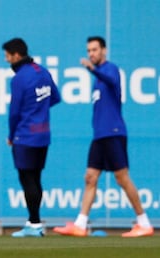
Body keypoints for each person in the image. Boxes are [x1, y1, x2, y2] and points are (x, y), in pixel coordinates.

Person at [53, 36, 154, 237]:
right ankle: (80, 224)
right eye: (89, 50)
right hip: (100, 135)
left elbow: (112, 80)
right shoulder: (98, 79)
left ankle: (144, 223)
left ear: (104, 51)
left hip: (113, 132)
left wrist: (91, 69)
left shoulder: (110, 70)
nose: (91, 53)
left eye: (95, 50)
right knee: (90, 177)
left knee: (122, 178)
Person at [2, 38, 61, 237]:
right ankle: (34, 222)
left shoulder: (19, 78)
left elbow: (14, 113)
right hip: (43, 135)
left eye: (7, 56)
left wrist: (11, 136)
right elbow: (55, 97)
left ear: (16, 55)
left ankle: (34, 224)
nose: (7, 60)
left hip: (25, 136)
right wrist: (39, 110)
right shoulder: (43, 71)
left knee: (27, 179)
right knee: (36, 179)